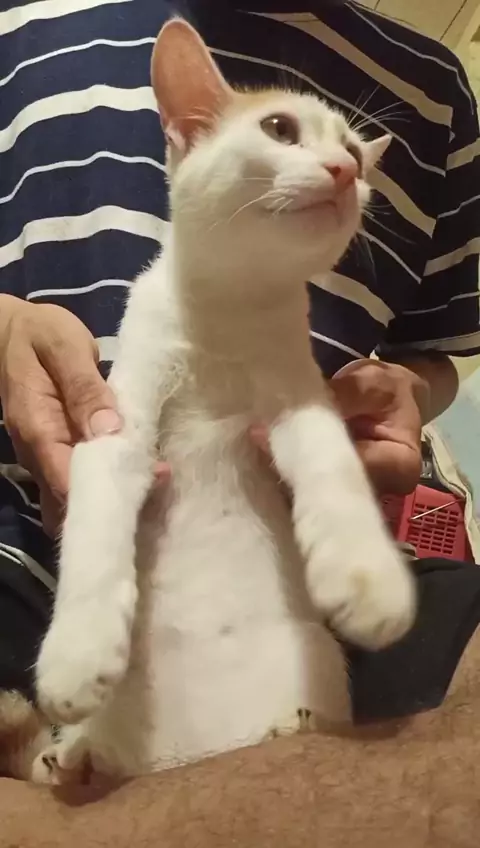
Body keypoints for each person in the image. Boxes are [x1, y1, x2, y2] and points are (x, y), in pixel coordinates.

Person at [0, 0, 479, 756]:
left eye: (355, 159)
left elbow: (314, 413)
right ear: (188, 134)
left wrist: (408, 395)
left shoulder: (438, 92)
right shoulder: (21, 22)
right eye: (283, 129)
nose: (342, 167)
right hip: (28, 563)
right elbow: (115, 449)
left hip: (272, 609)